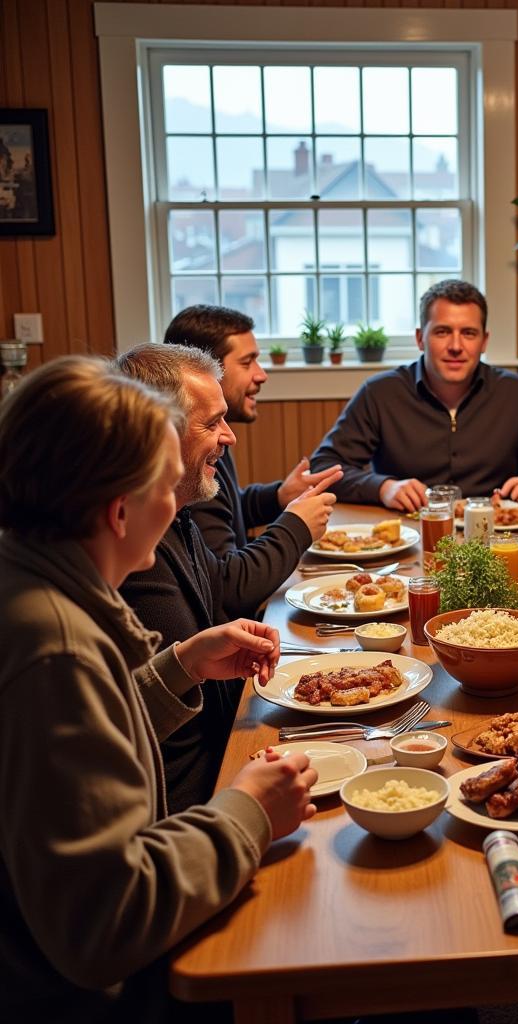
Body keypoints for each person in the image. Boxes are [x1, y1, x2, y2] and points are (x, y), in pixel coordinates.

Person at [0, 356, 317, 1023]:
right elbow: (105, 920)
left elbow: (85, 743)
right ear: (120, 511)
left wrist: (182, 666)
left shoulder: (36, 582)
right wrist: (249, 811)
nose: (177, 507)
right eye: (164, 486)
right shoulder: (55, 647)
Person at [115, 343, 334, 813]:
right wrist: (244, 802)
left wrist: (192, 660)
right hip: (194, 803)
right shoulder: (134, 550)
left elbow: (124, 713)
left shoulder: (178, 519)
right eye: (212, 423)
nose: (229, 436)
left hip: (227, 770)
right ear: (160, 434)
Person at [309, 279, 518, 511]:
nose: (456, 346)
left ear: (484, 341)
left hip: (494, 539)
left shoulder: (516, 394)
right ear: (420, 338)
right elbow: (323, 469)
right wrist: (383, 487)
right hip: (410, 538)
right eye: (443, 332)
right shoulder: (380, 393)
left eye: (469, 333)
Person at [164, 304, 342, 557]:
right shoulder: (192, 455)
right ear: (204, 371)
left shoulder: (212, 436)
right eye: (247, 363)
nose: (261, 375)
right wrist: (295, 527)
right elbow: (226, 585)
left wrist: (279, 497)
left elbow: (226, 511)